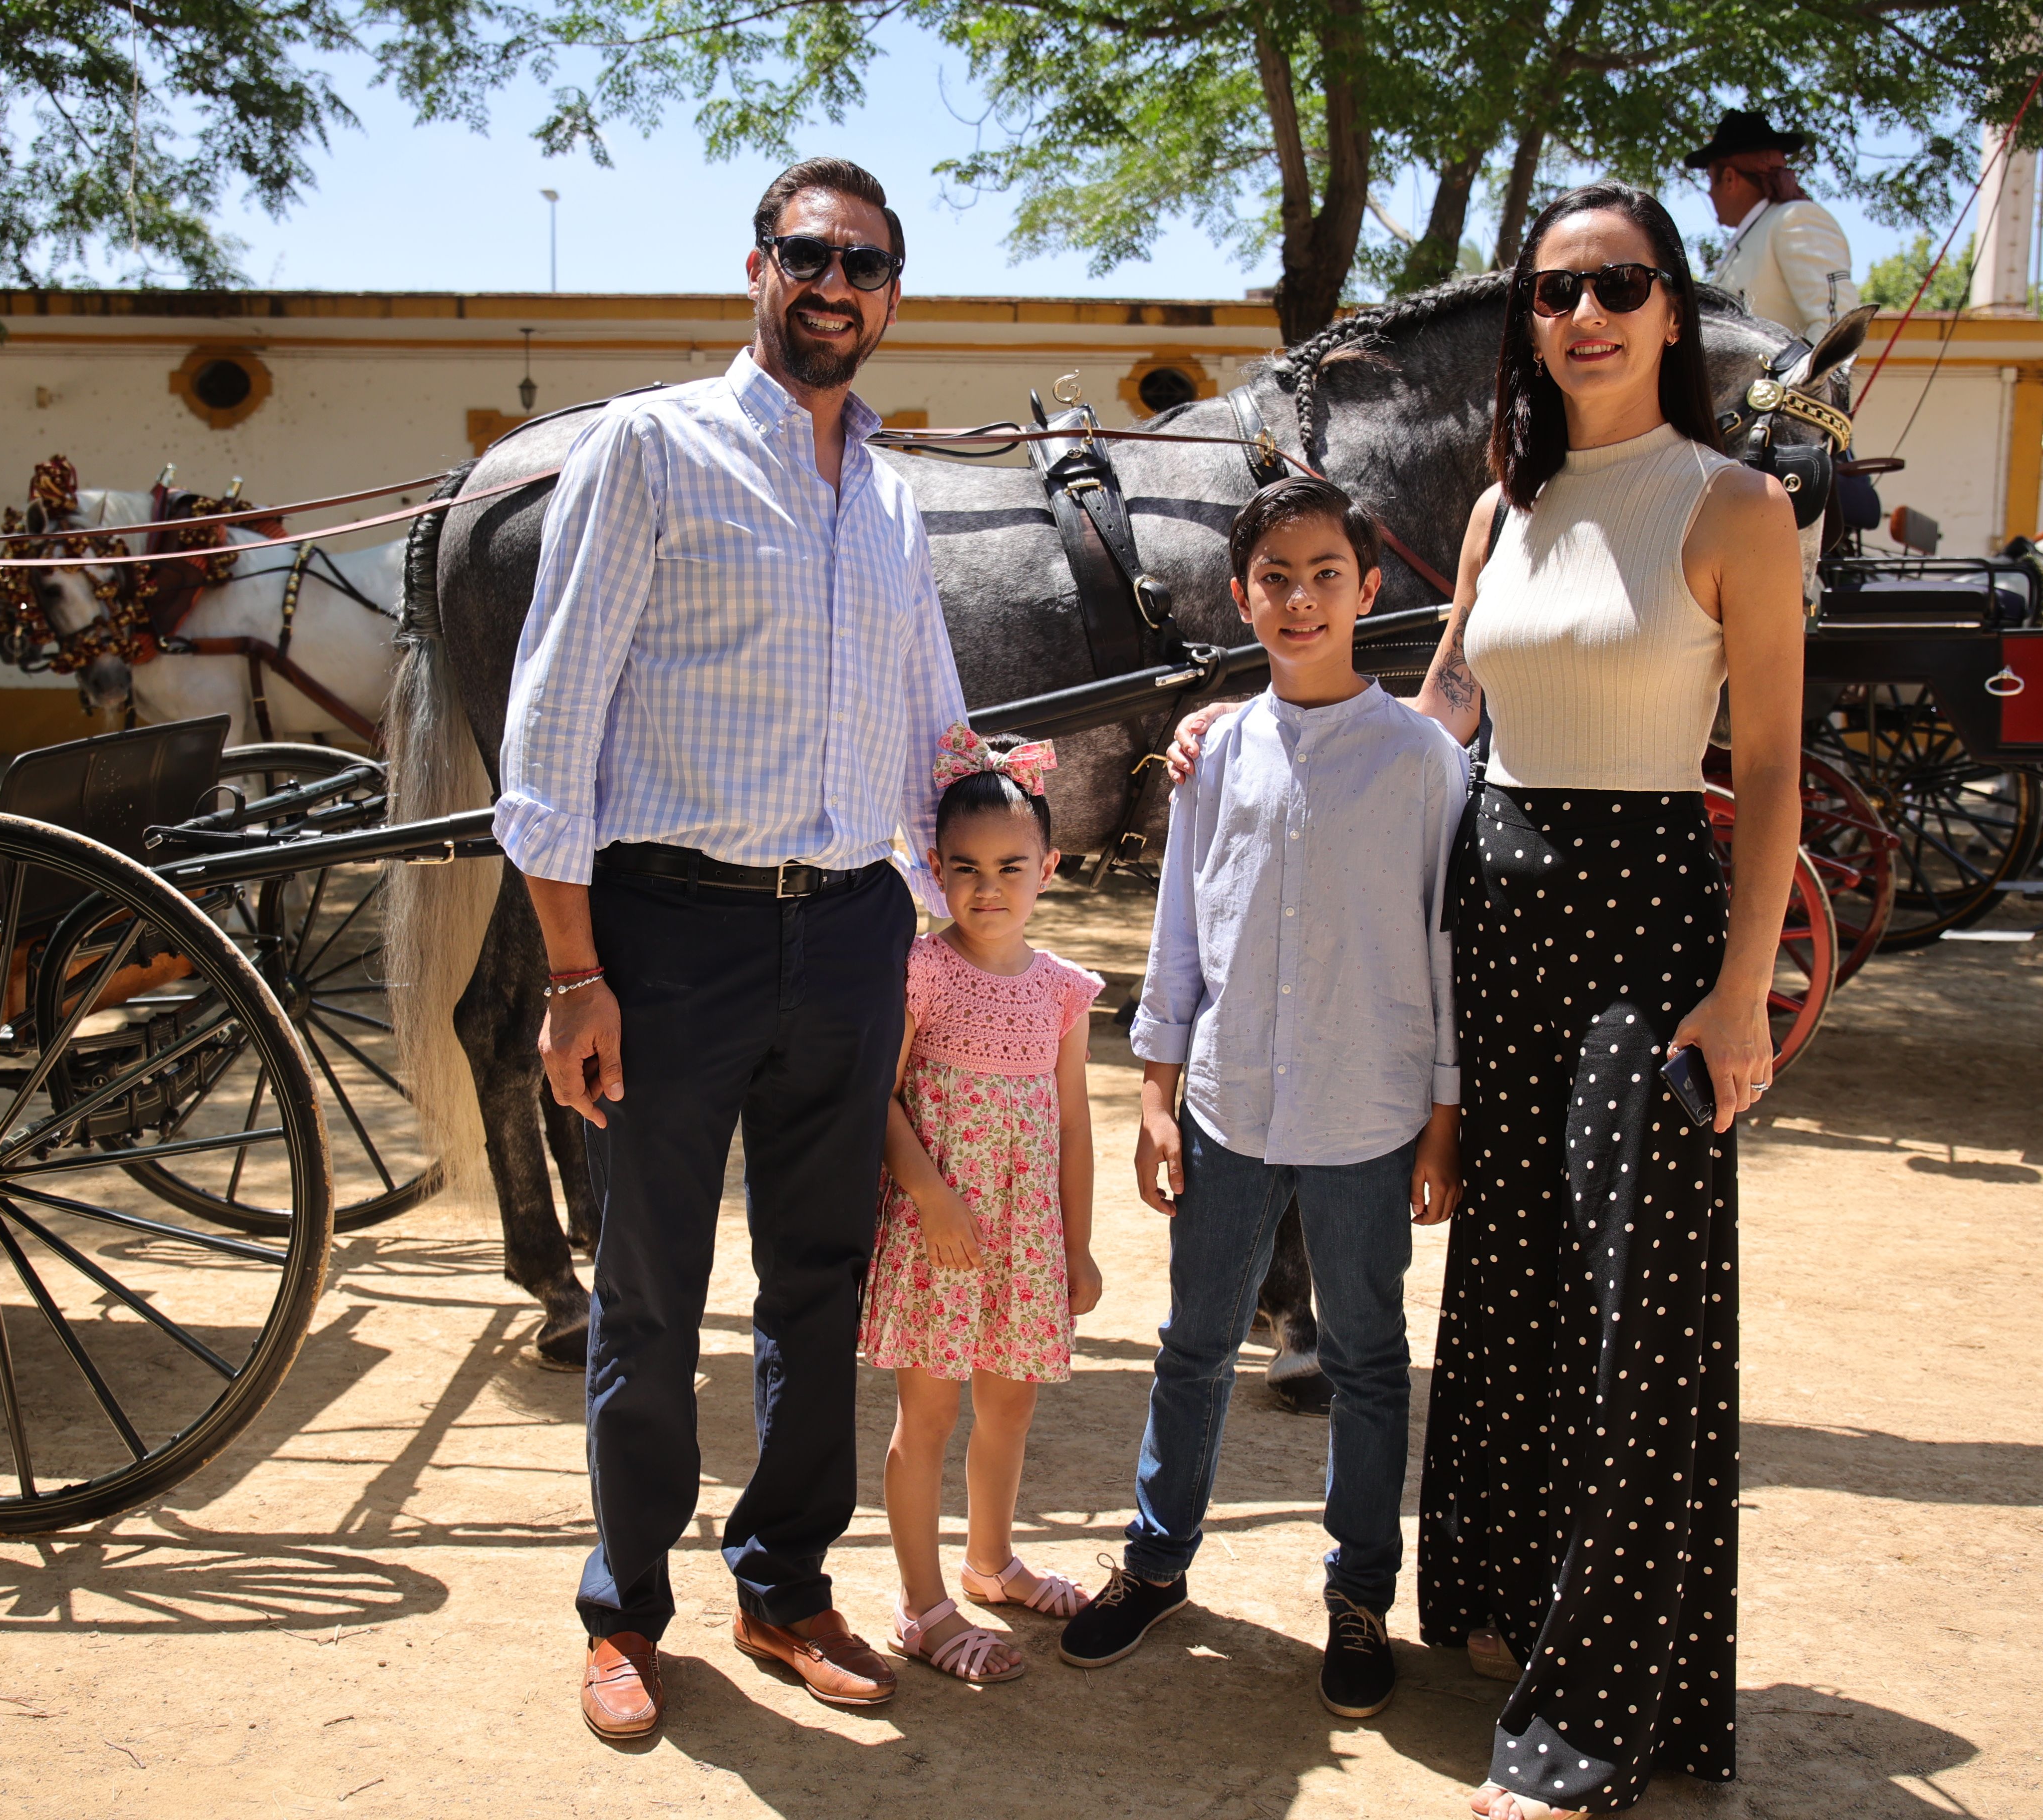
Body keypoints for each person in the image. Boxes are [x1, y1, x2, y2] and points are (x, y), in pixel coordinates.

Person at [498, 156, 968, 1743]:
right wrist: (575, 973)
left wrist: (989, 842)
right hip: (671, 932)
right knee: (650, 1288)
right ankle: (626, 1610)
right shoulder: (649, 448)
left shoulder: (892, 496)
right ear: (757, 266)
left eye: (866, 263)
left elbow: (936, 727)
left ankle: (783, 1583)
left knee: (819, 1283)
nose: (836, 284)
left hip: (848, 931)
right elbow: (553, 724)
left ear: (893, 296)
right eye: (809, 253)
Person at [1406, 182, 1803, 1819]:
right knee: (1509, 1278)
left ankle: (1595, 1711)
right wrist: (1276, 728)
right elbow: (1444, 707)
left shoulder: (1735, 507)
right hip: (1496, 920)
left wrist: (1744, 989)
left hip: (1646, 927)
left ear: (1670, 311)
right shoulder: (1502, 507)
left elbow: (1769, 771)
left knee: (1635, 1314)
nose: (1585, 316)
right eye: (1556, 290)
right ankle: (1506, 1596)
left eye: (1620, 285)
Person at [1061, 475, 1467, 1725]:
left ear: (1369, 588)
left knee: (1366, 1359)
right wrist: (1155, 1088)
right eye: (1274, 579)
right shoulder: (1214, 754)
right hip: (1229, 1107)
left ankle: (1359, 1597)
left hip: (1368, 1112)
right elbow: (1181, 927)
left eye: (1324, 575)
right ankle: (1155, 1562)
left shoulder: (1423, 762)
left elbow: (1447, 948)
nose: (1300, 600)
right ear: (1241, 598)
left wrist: (1443, 1119)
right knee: (1193, 1344)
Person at [859, 729, 1105, 1685]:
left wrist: (1076, 1248)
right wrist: (933, 1198)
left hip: (1026, 1240)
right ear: (935, 868)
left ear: (1049, 867)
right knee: (925, 1416)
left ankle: (991, 1561)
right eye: (964, 867)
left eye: (1010, 867)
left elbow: (1073, 1128)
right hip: (939, 1235)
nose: (987, 887)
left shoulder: (1062, 992)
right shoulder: (919, 969)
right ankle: (922, 1606)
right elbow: (878, 1097)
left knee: (1009, 1404)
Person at [1686, 109, 1854, 344]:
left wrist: (1791, 370)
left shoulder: (1795, 218)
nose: (1710, 193)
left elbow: (1836, 323)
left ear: (1730, 179)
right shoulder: (1753, 237)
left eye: (1711, 180)